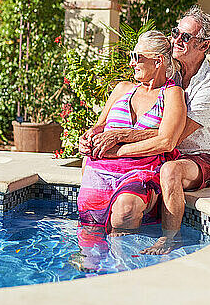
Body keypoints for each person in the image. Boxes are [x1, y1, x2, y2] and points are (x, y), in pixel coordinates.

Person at [80, 5, 210, 253]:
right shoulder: (171, 78)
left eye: (186, 37)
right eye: (175, 32)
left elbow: (172, 136)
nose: (176, 40)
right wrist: (94, 138)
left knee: (170, 170)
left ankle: (170, 238)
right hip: (157, 153)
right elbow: (159, 132)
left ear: (204, 46)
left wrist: (118, 139)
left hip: (197, 159)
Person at [77, 30, 186, 236]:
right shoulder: (122, 88)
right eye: (131, 57)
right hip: (100, 170)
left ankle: (127, 267)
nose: (131, 63)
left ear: (158, 61)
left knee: (124, 213)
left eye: (136, 57)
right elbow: (99, 126)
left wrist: (117, 150)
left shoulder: (172, 94)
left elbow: (166, 141)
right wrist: (87, 137)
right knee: (90, 233)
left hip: (140, 170)